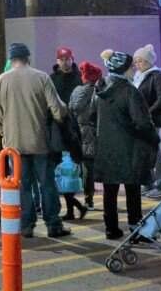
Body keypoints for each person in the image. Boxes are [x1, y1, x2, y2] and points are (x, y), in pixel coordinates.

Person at [0, 42, 72, 238]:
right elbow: (58, 110)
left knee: (22, 186)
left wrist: (7, 133)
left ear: (11, 60)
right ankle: (53, 225)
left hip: (14, 145)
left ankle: (27, 226)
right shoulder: (41, 77)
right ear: (28, 58)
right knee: (47, 184)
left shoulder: (2, 80)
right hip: (40, 142)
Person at [93, 51, 158, 241]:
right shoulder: (130, 91)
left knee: (110, 191)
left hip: (106, 148)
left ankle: (111, 228)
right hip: (130, 147)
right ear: (124, 68)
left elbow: (90, 116)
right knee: (132, 189)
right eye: (131, 66)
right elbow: (143, 122)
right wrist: (153, 138)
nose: (134, 69)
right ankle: (135, 228)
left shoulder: (100, 88)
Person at [132, 44, 161, 199]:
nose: (137, 65)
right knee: (143, 152)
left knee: (156, 153)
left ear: (148, 61)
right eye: (136, 62)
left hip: (152, 120)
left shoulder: (156, 76)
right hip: (140, 121)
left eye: (140, 61)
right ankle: (148, 183)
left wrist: (148, 112)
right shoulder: (138, 77)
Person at [68, 61, 102, 212]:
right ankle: (89, 199)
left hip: (77, 130)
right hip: (92, 131)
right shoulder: (98, 92)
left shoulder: (76, 91)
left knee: (77, 165)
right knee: (89, 166)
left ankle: (72, 199)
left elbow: (70, 109)